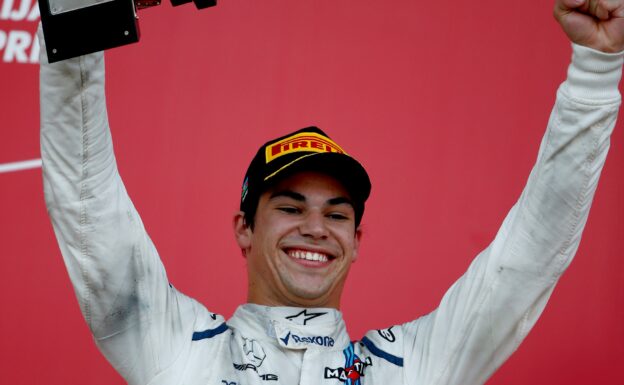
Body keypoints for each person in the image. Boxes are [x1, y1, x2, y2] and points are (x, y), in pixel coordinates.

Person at [39, 1, 624, 384]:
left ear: (357, 239)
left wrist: (596, 70)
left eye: (336, 214)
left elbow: (526, 263)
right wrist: (77, 16)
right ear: (244, 228)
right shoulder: (176, 350)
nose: (315, 228)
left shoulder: (412, 368)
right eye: (290, 207)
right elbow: (89, 209)